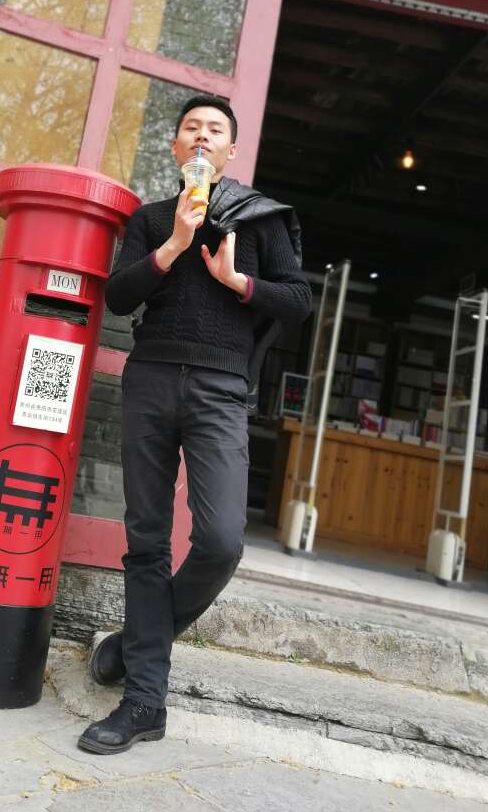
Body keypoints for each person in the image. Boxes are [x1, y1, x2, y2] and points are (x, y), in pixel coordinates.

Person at [77, 95, 312, 755]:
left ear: (231, 151)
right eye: (191, 129)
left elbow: (298, 300)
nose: (202, 137)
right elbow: (117, 297)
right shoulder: (151, 219)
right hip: (151, 379)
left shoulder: (259, 219)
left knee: (220, 542)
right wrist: (175, 244)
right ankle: (143, 703)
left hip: (220, 389)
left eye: (215, 130)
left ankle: (135, 643)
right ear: (176, 148)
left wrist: (239, 282)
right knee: (147, 541)